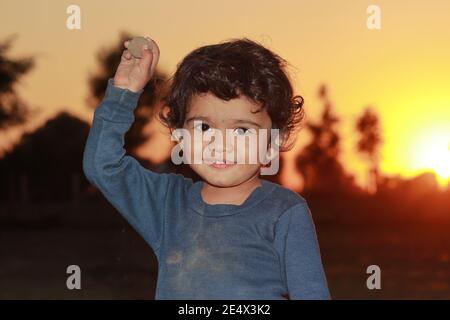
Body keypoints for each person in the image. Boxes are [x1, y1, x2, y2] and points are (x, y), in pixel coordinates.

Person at [82, 36, 331, 300]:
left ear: (273, 142)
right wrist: (124, 93)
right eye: (204, 127)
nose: (220, 144)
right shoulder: (167, 204)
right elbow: (103, 165)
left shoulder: (284, 212)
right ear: (180, 134)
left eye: (241, 130)